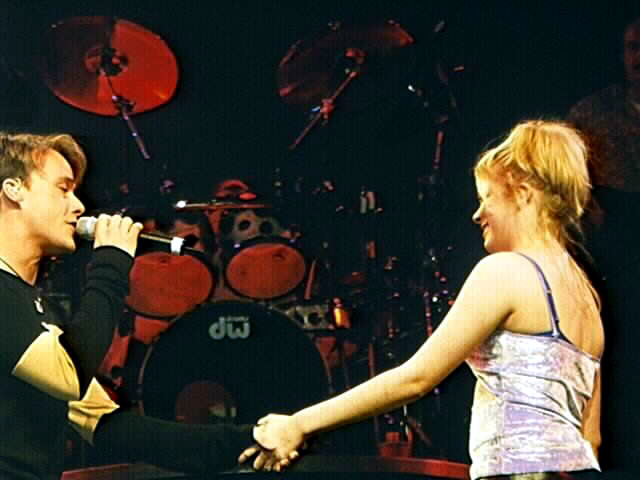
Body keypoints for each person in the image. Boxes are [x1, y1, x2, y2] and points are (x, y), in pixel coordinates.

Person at [239, 120, 604, 480]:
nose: (477, 214)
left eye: (487, 198)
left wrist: (299, 424)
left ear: (523, 194)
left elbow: (416, 378)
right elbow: (592, 439)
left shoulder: (506, 271)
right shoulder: (585, 297)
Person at [0, 132, 252, 480]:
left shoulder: (37, 309)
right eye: (63, 189)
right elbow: (68, 376)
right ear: (14, 189)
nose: (78, 206)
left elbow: (110, 426)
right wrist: (111, 262)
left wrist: (250, 440)